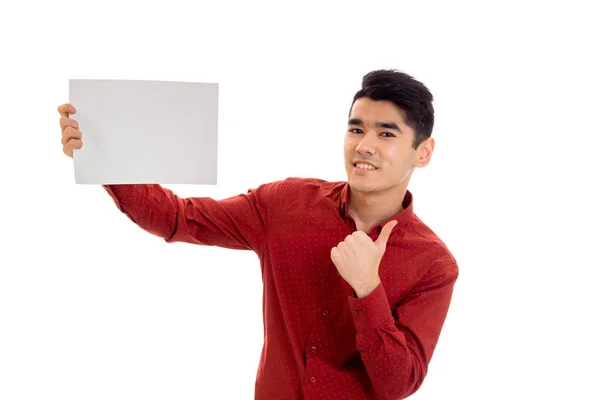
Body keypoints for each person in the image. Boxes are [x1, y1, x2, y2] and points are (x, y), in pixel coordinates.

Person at [57, 69, 459, 400]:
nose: (364, 146)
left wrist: (368, 289)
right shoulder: (286, 204)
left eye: (387, 134)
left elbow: (398, 382)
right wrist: (102, 155)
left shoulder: (433, 265)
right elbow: (177, 218)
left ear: (422, 152)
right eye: (356, 129)